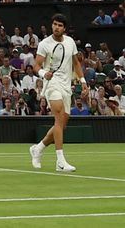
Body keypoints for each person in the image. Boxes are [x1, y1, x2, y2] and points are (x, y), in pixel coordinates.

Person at [28, 14, 82, 172]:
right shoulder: (44, 44)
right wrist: (43, 73)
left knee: (62, 125)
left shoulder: (70, 42)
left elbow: (76, 63)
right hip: (51, 84)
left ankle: (38, 148)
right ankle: (60, 161)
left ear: (64, 28)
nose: (56, 27)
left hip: (66, 86)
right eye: (54, 24)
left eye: (60, 25)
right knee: (58, 119)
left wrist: (83, 81)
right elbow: (36, 66)